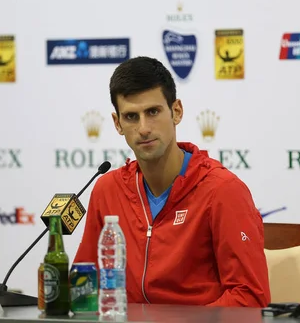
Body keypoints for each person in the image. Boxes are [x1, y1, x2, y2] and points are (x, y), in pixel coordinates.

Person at [73, 56, 271, 307]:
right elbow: (85, 284)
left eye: (153, 112)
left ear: (176, 111)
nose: (143, 128)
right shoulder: (107, 189)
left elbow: (250, 296)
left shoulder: (222, 190)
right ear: (117, 124)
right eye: (132, 117)